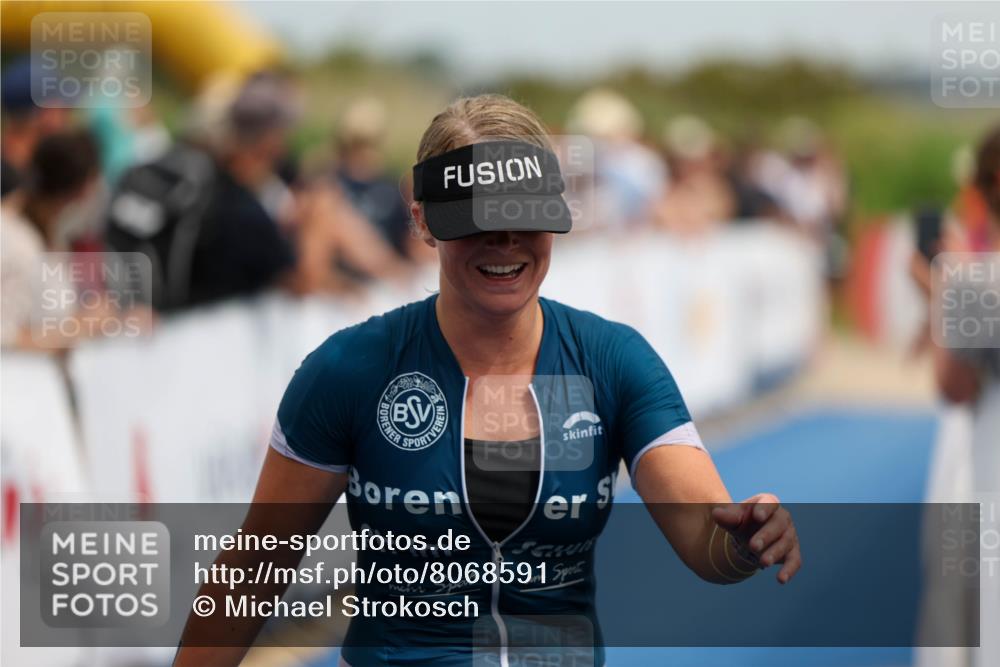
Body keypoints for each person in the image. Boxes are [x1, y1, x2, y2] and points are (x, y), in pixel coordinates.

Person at [173, 94, 801, 667]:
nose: (504, 240)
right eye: (475, 219)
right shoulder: (350, 369)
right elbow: (250, 573)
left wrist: (745, 540)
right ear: (421, 221)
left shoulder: (613, 360)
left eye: (526, 217)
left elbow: (703, 538)